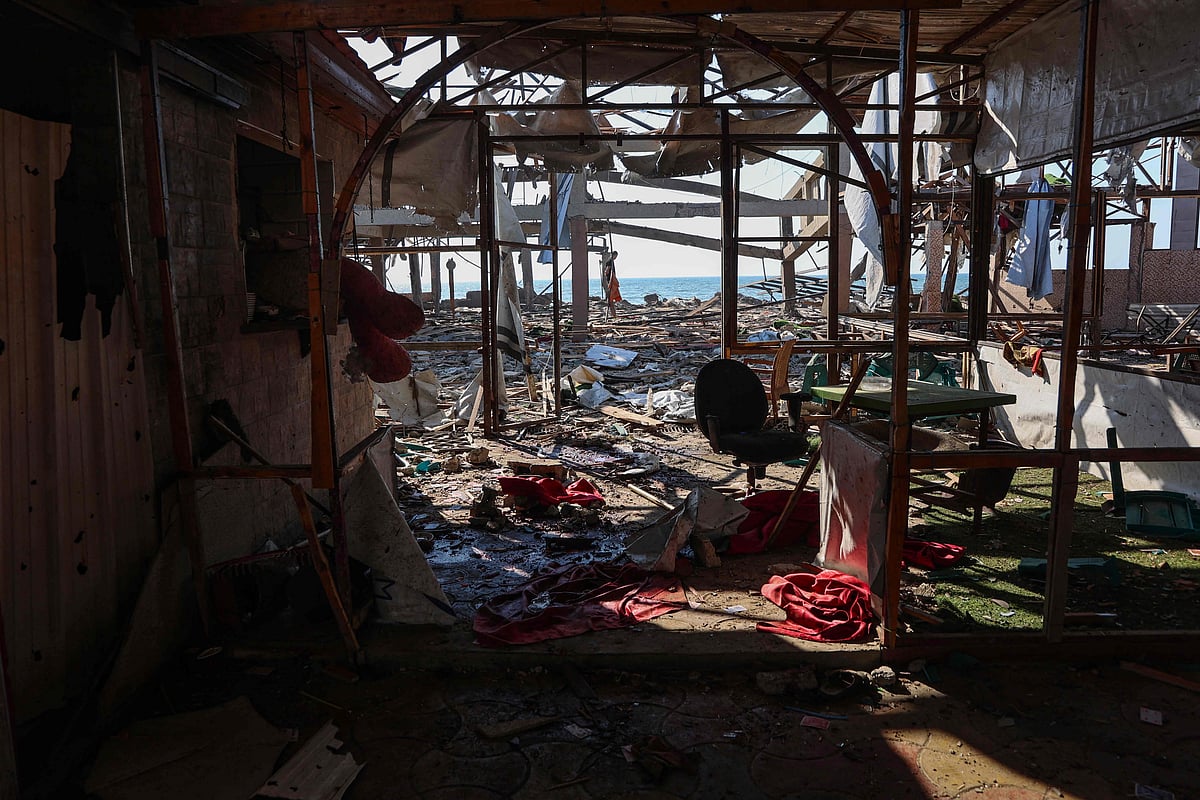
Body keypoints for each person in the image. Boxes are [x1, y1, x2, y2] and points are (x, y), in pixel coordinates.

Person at [601, 251, 622, 318]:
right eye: (616, 256)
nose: (616, 257)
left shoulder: (611, 261)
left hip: (611, 280)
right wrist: (610, 276)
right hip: (610, 281)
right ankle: (613, 314)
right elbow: (607, 271)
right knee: (610, 296)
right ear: (614, 255)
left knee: (611, 296)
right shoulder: (610, 261)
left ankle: (613, 313)